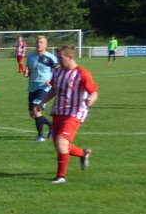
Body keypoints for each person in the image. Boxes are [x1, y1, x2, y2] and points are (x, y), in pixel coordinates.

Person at [41, 44, 97, 184]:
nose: (58, 61)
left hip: (74, 113)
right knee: (60, 145)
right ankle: (83, 153)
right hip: (59, 111)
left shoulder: (82, 73)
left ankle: (61, 176)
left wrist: (91, 99)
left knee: (61, 143)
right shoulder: (58, 72)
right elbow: (53, 90)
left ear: (70, 57)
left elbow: (94, 92)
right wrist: (41, 102)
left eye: (61, 58)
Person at [25, 35, 59, 141]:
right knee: (32, 114)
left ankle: (40, 136)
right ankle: (51, 126)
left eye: (41, 42)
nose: (39, 44)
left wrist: (52, 81)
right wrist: (26, 73)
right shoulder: (31, 57)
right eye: (38, 42)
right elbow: (29, 70)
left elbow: (58, 71)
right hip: (32, 87)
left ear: (45, 44)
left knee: (36, 110)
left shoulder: (51, 57)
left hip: (44, 88)